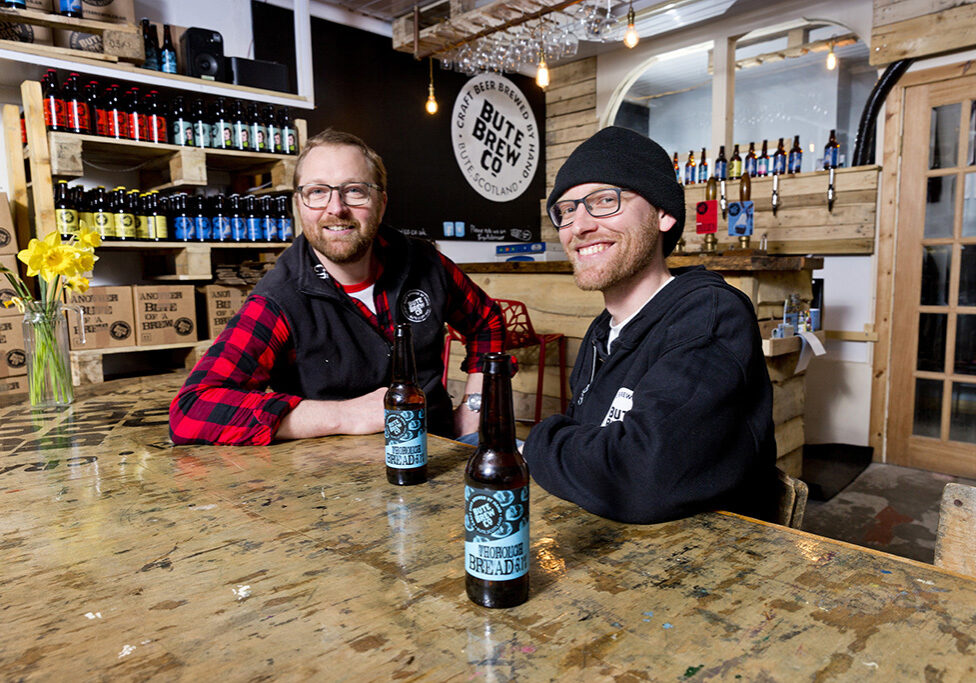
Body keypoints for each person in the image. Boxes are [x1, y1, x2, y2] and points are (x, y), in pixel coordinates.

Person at [170, 129, 505, 445]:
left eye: (354, 190)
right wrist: (344, 416)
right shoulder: (279, 298)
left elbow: (487, 320)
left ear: (381, 202)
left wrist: (474, 405)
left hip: (439, 448)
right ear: (300, 205)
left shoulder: (424, 262)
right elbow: (192, 410)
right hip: (337, 483)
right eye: (317, 192)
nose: (336, 208)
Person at [522, 126, 777, 524]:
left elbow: (639, 476)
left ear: (663, 214)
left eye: (605, 200)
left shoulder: (709, 318)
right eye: (567, 210)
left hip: (708, 568)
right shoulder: (602, 332)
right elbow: (596, 457)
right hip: (616, 552)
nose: (579, 225)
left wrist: (537, 440)